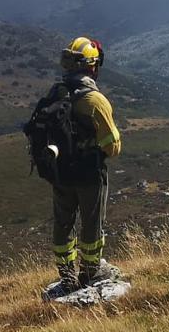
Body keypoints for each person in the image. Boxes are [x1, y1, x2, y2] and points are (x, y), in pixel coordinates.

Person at [43, 36, 122, 293]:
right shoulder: (94, 100)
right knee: (91, 223)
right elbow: (113, 146)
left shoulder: (56, 92)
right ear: (92, 66)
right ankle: (90, 272)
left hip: (60, 173)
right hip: (89, 174)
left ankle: (66, 275)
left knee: (63, 223)